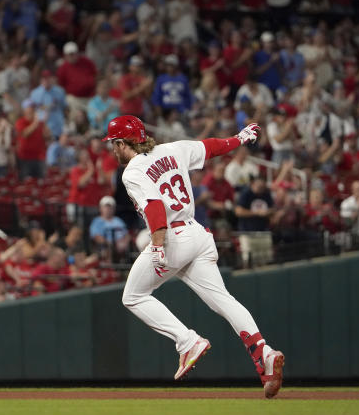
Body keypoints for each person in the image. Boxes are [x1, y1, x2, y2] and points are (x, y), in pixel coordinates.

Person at [102, 115, 284, 398]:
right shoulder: (172, 149)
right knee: (223, 300)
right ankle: (265, 352)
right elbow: (211, 147)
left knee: (133, 296)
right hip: (198, 234)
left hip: (172, 236)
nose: (113, 149)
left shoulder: (133, 170)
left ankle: (187, 342)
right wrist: (240, 138)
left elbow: (153, 207)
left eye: (114, 143)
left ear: (124, 143)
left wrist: (159, 246)